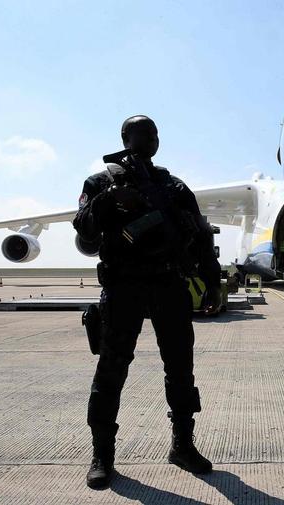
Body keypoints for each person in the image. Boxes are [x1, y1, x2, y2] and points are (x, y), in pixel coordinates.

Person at [73, 115, 221, 489]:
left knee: (180, 366)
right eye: (142, 134)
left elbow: (201, 233)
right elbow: (85, 231)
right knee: (112, 368)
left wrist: (212, 279)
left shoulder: (172, 185)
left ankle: (183, 446)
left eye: (155, 134)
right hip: (124, 285)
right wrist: (109, 201)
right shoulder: (101, 182)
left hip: (168, 282)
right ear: (125, 138)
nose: (150, 140)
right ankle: (102, 454)